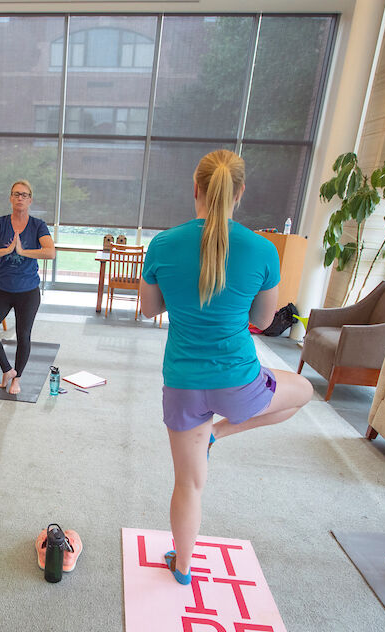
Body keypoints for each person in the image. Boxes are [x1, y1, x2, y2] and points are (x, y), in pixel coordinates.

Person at [139, 149, 312, 585]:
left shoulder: (163, 244)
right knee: (302, 393)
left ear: (195, 190)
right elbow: (266, 321)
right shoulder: (262, 249)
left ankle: (182, 567)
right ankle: (221, 431)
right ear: (240, 194)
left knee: (189, 484)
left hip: (183, 384)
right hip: (239, 383)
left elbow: (147, 309)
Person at [0, 180, 56, 395]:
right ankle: (7, 369)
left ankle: (16, 378)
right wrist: (6, 250)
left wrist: (22, 251)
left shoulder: (38, 225)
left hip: (27, 291)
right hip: (2, 288)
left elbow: (50, 252)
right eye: (16, 194)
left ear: (30, 199)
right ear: (11, 198)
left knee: (23, 335)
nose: (20, 198)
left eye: (24, 194)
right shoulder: (0, 223)